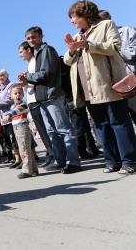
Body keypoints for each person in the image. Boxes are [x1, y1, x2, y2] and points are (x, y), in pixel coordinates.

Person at [64, 0, 136, 174]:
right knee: (101, 125)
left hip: (107, 84)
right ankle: (112, 161)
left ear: (84, 14)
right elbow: (67, 60)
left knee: (118, 122)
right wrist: (73, 49)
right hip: (86, 88)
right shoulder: (77, 35)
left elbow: (114, 47)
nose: (71, 21)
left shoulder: (106, 25)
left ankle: (130, 161)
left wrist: (88, 44)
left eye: (73, 17)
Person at [19, 26, 81, 174]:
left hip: (52, 95)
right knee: (52, 132)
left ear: (41, 36)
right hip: (43, 98)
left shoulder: (47, 50)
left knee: (64, 129)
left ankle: (73, 161)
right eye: (28, 38)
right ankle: (59, 161)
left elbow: (46, 74)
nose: (31, 40)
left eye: (33, 37)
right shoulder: (37, 54)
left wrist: (28, 76)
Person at [17, 41, 54, 166]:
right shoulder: (30, 64)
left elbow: (37, 79)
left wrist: (26, 79)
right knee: (42, 130)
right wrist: (24, 82)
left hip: (37, 99)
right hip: (32, 99)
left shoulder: (34, 62)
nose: (20, 55)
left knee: (45, 129)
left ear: (28, 50)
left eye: (21, 51)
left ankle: (53, 154)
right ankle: (51, 153)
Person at [98, 9, 136, 125]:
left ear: (109, 18)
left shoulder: (126, 31)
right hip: (119, 86)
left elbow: (132, 53)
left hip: (132, 79)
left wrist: (114, 47)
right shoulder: (101, 42)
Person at [3, 85, 39, 178]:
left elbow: (17, 110)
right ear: (11, 96)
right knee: (27, 149)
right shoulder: (12, 106)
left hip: (22, 128)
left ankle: (27, 170)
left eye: (20, 93)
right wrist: (9, 118)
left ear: (23, 95)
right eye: (15, 93)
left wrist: (9, 114)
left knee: (24, 149)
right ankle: (33, 170)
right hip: (17, 128)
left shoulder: (22, 104)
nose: (18, 95)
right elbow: (14, 114)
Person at [0, 69, 20, 166]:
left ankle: (19, 159)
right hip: (3, 119)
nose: (0, 78)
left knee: (15, 138)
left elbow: (11, 99)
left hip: (11, 116)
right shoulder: (0, 89)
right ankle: (17, 159)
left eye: (2, 75)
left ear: (7, 76)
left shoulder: (11, 85)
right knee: (9, 140)